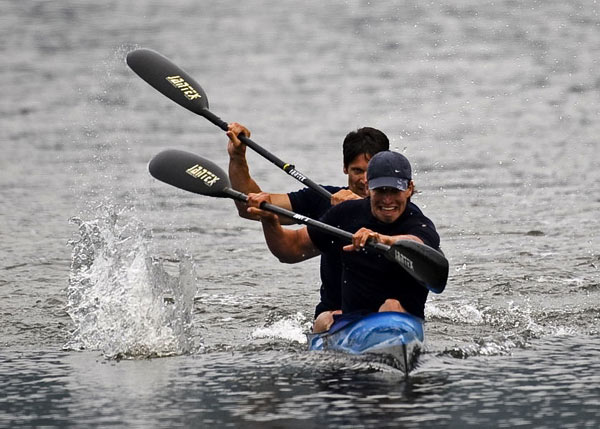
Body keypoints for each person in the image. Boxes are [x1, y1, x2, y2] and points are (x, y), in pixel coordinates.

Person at [245, 151, 441, 331]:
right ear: (368, 188)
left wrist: (384, 240)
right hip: (353, 322)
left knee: (391, 305)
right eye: (380, 190)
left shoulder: (419, 223)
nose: (388, 200)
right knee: (323, 320)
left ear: (409, 189)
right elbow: (290, 249)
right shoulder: (346, 215)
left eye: (394, 191)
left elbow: (418, 244)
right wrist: (269, 220)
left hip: (402, 320)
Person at [226, 123, 389, 330]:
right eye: (357, 171)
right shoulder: (323, 199)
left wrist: (357, 207)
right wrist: (237, 158)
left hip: (385, 312)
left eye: (371, 172)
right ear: (345, 168)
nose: (365, 180)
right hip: (333, 316)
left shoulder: (394, 209)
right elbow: (249, 206)